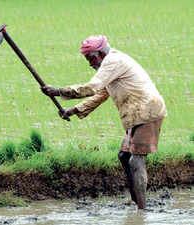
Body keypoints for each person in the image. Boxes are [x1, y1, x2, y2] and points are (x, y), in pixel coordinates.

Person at [41, 35, 167, 209]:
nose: (90, 63)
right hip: (136, 115)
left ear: (99, 53)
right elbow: (102, 93)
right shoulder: (110, 65)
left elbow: (92, 87)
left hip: (148, 112)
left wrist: (58, 91)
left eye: (91, 58)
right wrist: (75, 110)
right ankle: (137, 201)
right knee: (124, 156)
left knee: (136, 161)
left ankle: (142, 210)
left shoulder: (113, 61)